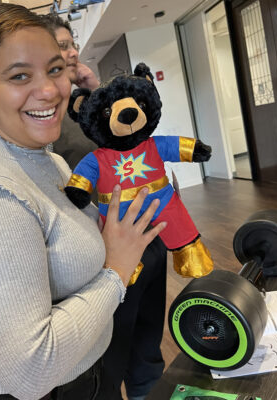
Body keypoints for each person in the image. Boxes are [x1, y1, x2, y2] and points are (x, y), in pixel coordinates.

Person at [0, 4, 166, 400]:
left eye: (55, 70)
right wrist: (116, 271)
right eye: (20, 75)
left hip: (80, 377)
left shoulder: (48, 160)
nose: (49, 91)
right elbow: (30, 374)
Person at [41, 14, 168, 400]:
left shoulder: (100, 101)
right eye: (61, 46)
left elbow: (140, 145)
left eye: (71, 42)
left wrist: (97, 88)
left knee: (147, 347)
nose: (73, 51)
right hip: (105, 254)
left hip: (150, 235)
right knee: (112, 355)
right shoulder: (48, 122)